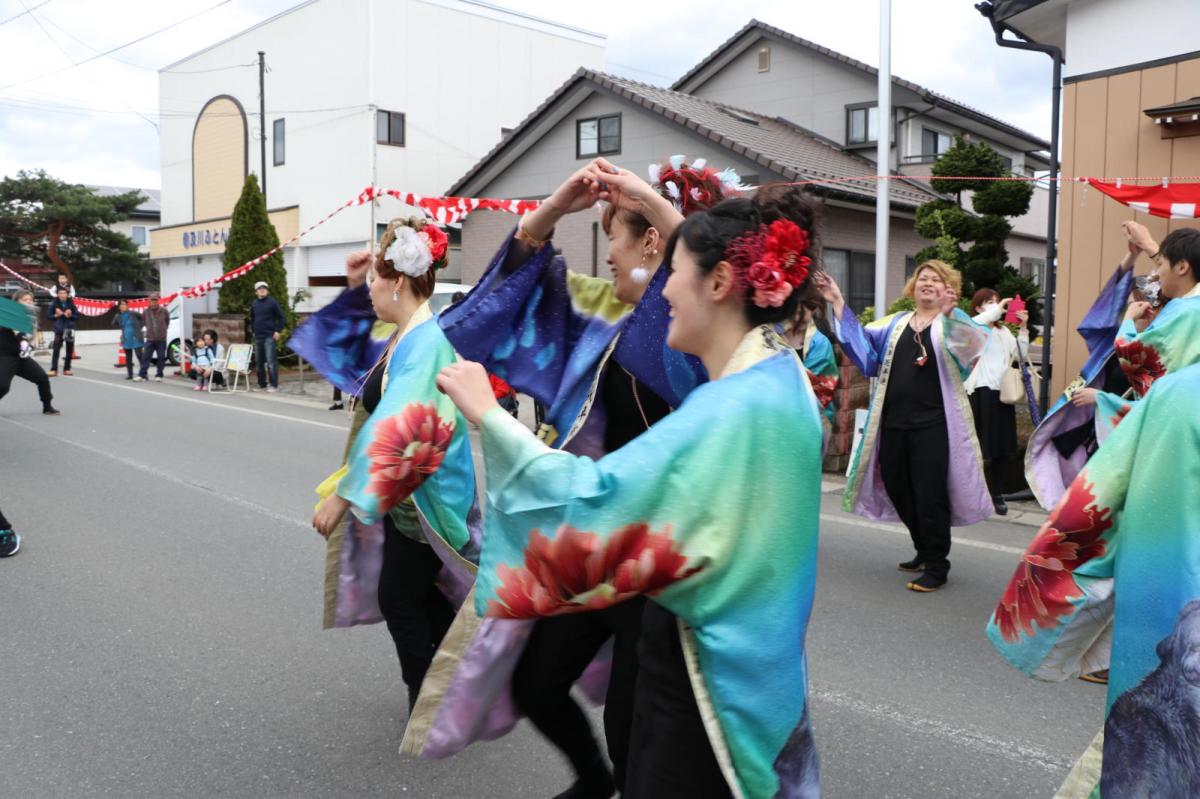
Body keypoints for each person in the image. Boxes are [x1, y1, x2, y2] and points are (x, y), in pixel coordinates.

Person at [435, 187, 827, 799]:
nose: (666, 288)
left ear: (718, 279)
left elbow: (597, 497)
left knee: (642, 743)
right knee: (558, 692)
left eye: (675, 271)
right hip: (728, 626)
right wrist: (552, 211)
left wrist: (492, 418)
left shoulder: (726, 404)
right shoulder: (781, 374)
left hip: (688, 625)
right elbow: (500, 311)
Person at [308, 217, 480, 713]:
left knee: (401, 598)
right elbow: (355, 368)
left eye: (375, 283)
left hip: (431, 497)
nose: (371, 293)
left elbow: (402, 428)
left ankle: (431, 701)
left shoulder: (426, 343)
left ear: (399, 281)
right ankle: (451, 687)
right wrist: (354, 283)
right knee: (426, 595)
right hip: (414, 496)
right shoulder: (409, 335)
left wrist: (343, 495)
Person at [816, 261, 991, 592]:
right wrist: (837, 301)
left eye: (936, 280)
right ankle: (923, 548)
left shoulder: (953, 321)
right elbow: (866, 356)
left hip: (935, 425)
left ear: (948, 288)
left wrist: (952, 315)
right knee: (898, 486)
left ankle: (938, 564)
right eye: (922, 278)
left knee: (930, 494)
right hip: (893, 422)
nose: (927, 283)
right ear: (913, 286)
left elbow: (972, 354)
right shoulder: (894, 324)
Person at [1023, 220, 1147, 510]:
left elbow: (1157, 405)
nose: (1129, 305)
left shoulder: (1163, 345)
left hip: (1135, 444)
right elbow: (1104, 310)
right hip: (1098, 437)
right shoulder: (1112, 342)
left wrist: (1101, 398)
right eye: (1130, 300)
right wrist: (1132, 256)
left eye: (1136, 300)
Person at [963, 289, 1029, 515]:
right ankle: (972, 493)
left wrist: (1022, 328)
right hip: (980, 391)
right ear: (979, 307)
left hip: (1003, 393)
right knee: (978, 446)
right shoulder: (975, 326)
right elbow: (975, 324)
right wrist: (998, 308)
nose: (995, 305)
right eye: (988, 302)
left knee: (1002, 447)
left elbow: (1020, 355)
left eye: (995, 301)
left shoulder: (1002, 332)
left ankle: (997, 494)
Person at [0, 291, 58, 415]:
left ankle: (47, 406)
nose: (29, 302)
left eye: (30, 299)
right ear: (16, 302)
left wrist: (29, 347)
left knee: (42, 378)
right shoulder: (11, 314)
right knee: (3, 385)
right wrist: (23, 341)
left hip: (21, 357)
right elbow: (16, 330)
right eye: (25, 299)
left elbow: (32, 337)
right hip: (5, 356)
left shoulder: (31, 317)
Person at [782, 300, 839, 426]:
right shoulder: (773, 334)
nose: (796, 317)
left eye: (801, 312)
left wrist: (784, 352)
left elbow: (806, 384)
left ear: (813, 309)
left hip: (813, 420)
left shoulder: (820, 343)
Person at [249, 281, 285, 392]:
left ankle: (274, 385)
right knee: (259, 362)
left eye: (264, 288)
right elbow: (253, 318)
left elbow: (281, 317)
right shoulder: (254, 303)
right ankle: (262, 384)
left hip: (270, 335)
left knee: (270, 362)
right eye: (260, 288)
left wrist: (278, 331)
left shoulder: (272, 302)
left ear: (267, 291)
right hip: (258, 336)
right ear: (256, 292)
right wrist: (254, 331)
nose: (262, 290)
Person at [136, 293, 170, 383]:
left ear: (158, 300)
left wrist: (163, 331)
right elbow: (142, 322)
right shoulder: (145, 312)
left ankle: (159, 375)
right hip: (150, 338)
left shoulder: (164, 311)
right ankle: (142, 375)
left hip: (161, 339)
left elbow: (167, 322)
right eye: (152, 300)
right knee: (145, 357)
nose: (153, 302)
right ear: (149, 301)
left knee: (161, 357)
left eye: (155, 300)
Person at [46, 286, 78, 377]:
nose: (62, 295)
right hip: (59, 329)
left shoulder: (71, 304)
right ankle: (54, 369)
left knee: (69, 350)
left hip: (69, 329)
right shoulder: (53, 304)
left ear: (67, 295)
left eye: (64, 293)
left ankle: (67, 369)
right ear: (58, 295)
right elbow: (48, 316)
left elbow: (77, 316)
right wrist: (56, 315)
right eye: (60, 293)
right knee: (56, 350)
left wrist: (70, 315)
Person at [112, 300, 144, 380]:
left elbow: (143, 318)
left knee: (139, 355)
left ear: (127, 306)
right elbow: (113, 324)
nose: (123, 306)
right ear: (119, 306)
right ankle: (130, 374)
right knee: (128, 358)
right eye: (122, 304)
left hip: (136, 337)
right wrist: (118, 322)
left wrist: (139, 327)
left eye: (125, 304)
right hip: (126, 338)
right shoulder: (118, 316)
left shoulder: (133, 313)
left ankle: (143, 374)